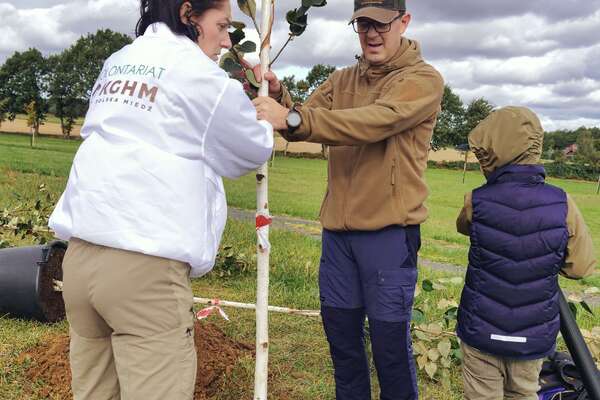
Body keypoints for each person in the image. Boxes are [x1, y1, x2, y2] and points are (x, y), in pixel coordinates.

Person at [48, 1, 273, 399]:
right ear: (189, 14)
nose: (226, 40)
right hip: (143, 270)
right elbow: (250, 150)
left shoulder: (120, 60)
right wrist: (263, 109)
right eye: (221, 26)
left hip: (80, 260)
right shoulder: (202, 76)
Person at [252, 0, 444, 398]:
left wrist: (292, 118)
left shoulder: (423, 80)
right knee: (342, 345)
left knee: (390, 350)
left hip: (390, 237)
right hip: (338, 239)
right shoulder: (341, 80)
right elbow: (302, 115)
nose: (371, 34)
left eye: (381, 24)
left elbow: (373, 122)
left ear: (404, 22)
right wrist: (279, 96)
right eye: (362, 25)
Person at [455, 106, 597, 400]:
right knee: (524, 393)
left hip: (481, 328)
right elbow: (579, 268)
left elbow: (464, 228)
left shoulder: (477, 200)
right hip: (532, 334)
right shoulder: (563, 203)